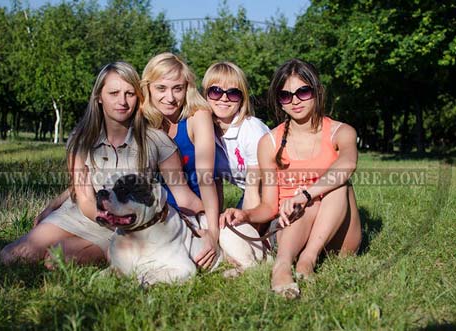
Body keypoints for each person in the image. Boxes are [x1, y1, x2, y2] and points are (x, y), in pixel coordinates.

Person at [0, 61, 203, 266]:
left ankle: (97, 249)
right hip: (82, 213)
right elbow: (85, 198)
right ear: (99, 97)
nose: (122, 101)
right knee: (13, 256)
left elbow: (183, 195)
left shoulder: (156, 140)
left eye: (129, 94)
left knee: (56, 260)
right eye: (113, 93)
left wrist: (212, 227)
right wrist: (58, 205)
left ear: (139, 98)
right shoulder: (81, 139)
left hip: (125, 223)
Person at [220, 58, 362, 299]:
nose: (295, 100)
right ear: (279, 102)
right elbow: (269, 206)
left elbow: (348, 164)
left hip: (339, 236)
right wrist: (246, 215)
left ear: (317, 91)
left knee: (338, 185)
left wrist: (305, 194)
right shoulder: (270, 143)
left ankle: (308, 259)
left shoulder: (342, 131)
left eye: (302, 92)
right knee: (297, 208)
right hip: (290, 232)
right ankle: (283, 265)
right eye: (286, 96)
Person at [140, 52, 223, 269]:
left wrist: (213, 235)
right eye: (161, 88)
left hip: (196, 210)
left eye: (177, 88)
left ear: (187, 88)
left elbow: (207, 179)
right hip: (156, 211)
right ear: (148, 87)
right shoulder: (142, 119)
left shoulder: (198, 116)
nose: (170, 98)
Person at [201, 61, 270, 216]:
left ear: (242, 98)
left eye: (233, 93)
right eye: (216, 91)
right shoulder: (205, 131)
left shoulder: (252, 130)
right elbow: (216, 185)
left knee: (238, 233)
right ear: (205, 94)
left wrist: (247, 226)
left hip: (276, 192)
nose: (224, 98)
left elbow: (255, 190)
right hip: (250, 194)